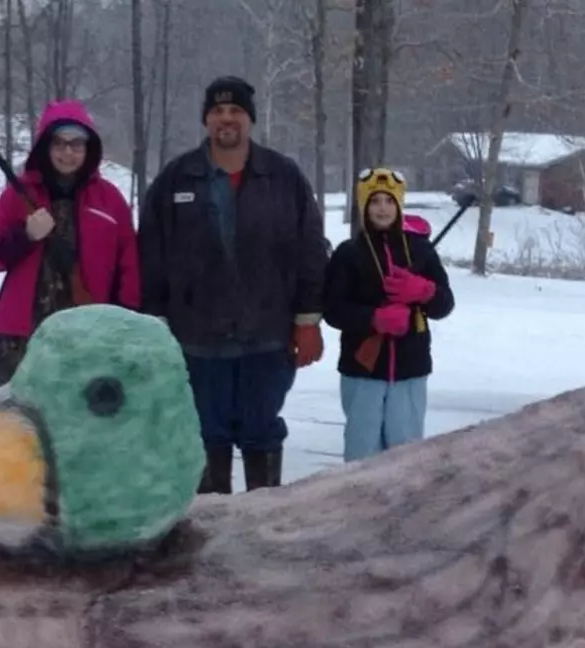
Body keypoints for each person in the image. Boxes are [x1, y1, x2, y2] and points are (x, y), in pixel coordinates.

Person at [138, 76, 327, 493]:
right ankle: (212, 533)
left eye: (236, 111)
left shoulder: (282, 177)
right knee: (207, 434)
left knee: (262, 430)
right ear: (206, 120)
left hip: (268, 338)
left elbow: (311, 249)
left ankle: (264, 526)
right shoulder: (176, 180)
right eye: (218, 111)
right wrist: (155, 327)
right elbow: (151, 257)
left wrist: (308, 319)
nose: (227, 119)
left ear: (250, 120)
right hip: (197, 341)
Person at [0, 99, 140, 386]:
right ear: (45, 147)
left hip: (88, 333)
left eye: (77, 144)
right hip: (22, 336)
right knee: (18, 424)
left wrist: (123, 321)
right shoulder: (19, 194)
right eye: (59, 143)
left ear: (89, 149)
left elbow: (129, 262)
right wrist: (25, 236)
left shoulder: (109, 199)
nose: (68, 152)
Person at [323, 167, 455, 462]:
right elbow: (332, 310)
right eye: (374, 201)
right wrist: (374, 319)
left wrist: (424, 292)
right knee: (361, 459)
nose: (382, 208)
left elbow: (445, 304)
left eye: (388, 201)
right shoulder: (348, 253)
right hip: (363, 372)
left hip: (411, 371)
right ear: (363, 206)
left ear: (399, 205)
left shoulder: (421, 251)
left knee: (406, 460)